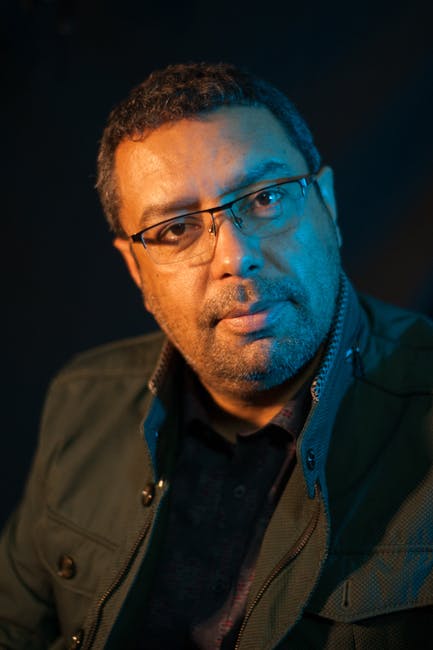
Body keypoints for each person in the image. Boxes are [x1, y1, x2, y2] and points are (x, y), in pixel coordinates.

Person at [1, 62, 432, 650]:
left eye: (265, 198)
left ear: (327, 203)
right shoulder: (82, 401)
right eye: (175, 229)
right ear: (135, 269)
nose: (235, 256)